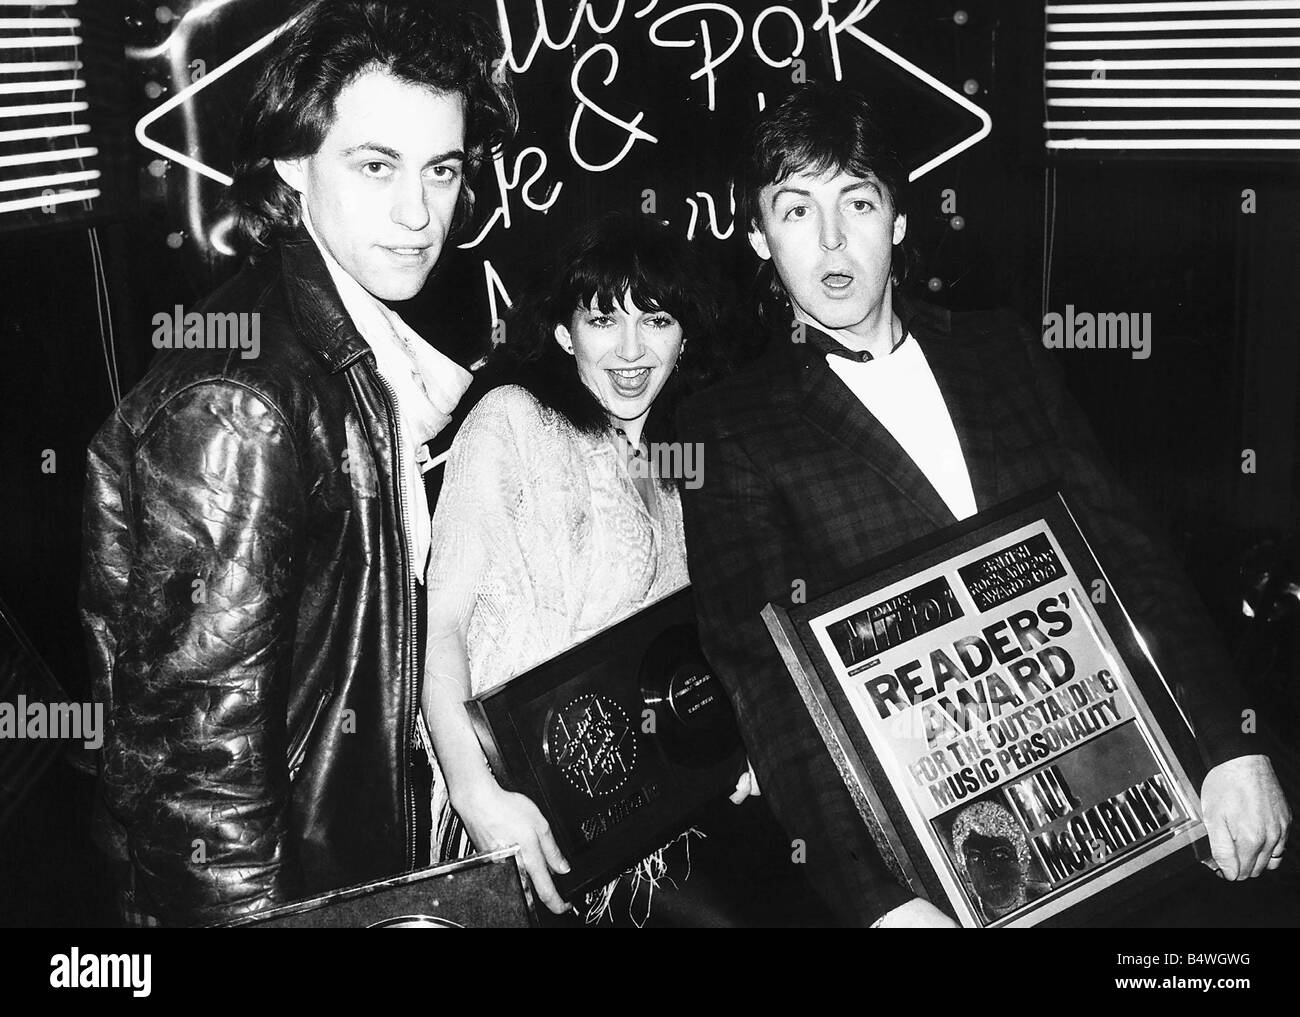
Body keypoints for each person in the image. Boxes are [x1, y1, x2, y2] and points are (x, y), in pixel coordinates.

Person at [677, 81, 1292, 928]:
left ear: (896, 218)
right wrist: (882, 903)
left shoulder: (1001, 348)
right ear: (757, 236)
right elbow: (771, 684)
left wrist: (1229, 743)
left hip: (1126, 806)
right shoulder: (727, 427)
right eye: (794, 210)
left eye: (857, 201)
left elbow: (1125, 550)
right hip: (932, 866)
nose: (830, 239)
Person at [78, 0, 514, 926]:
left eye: (442, 171)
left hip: (362, 872)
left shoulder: (356, 344)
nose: (417, 213)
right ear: (291, 163)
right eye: (375, 166)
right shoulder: (246, 400)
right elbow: (198, 774)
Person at [421, 212, 782, 925]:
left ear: (685, 338)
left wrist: (734, 746)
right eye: (601, 319)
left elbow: (695, 646)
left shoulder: (687, 459)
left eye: (655, 320)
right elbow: (441, 623)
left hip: (648, 827)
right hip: (514, 820)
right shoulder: (512, 418)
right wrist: (474, 791)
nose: (629, 349)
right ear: (564, 334)